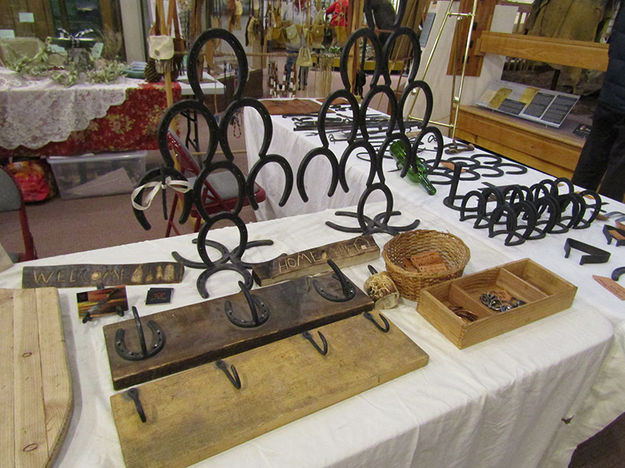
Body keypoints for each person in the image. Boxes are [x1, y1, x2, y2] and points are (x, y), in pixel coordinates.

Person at [571, 3, 625, 202]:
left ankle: (572, 204)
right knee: (618, 169)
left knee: (595, 152)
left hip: (611, 91)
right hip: (615, 93)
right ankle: (603, 214)